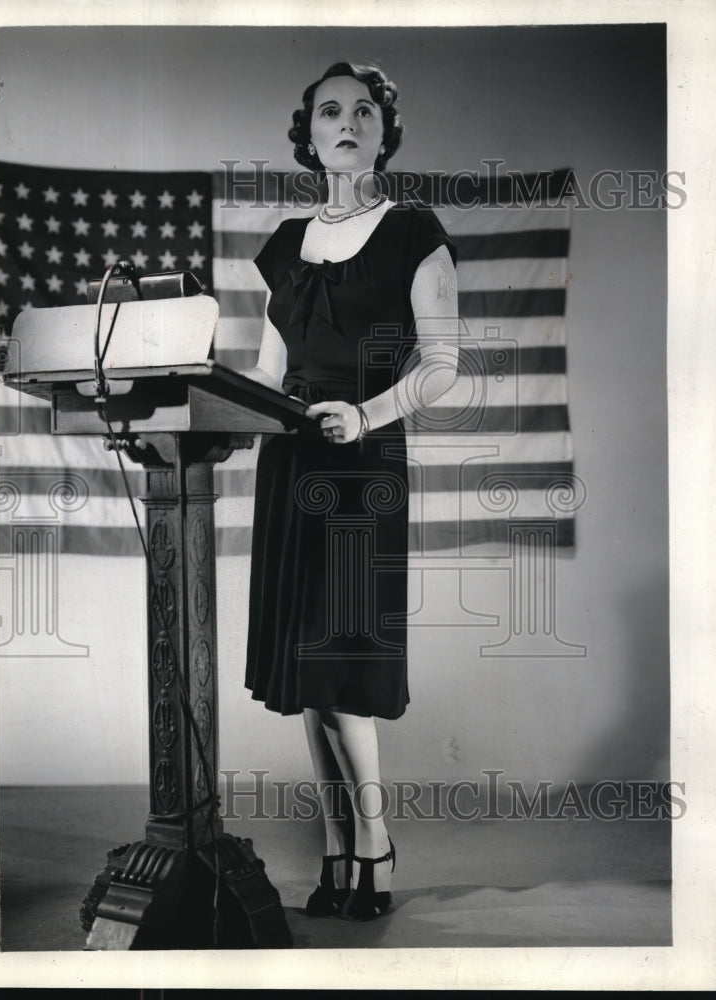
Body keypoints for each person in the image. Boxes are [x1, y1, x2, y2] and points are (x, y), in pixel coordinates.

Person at [241, 61, 458, 921]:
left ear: (383, 131)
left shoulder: (413, 231)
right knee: (305, 674)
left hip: (361, 469)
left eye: (363, 111)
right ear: (308, 132)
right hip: (290, 468)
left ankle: (374, 847)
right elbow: (266, 372)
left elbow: (443, 367)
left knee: (340, 668)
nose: (346, 122)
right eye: (329, 110)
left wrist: (363, 416)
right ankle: (336, 859)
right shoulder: (283, 241)